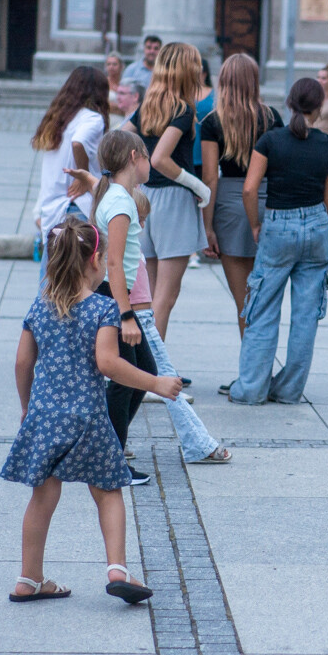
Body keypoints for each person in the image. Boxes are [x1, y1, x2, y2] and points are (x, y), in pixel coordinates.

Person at [0, 216, 182, 605]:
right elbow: (108, 364)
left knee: (42, 497)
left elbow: (21, 363)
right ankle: (117, 568)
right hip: (87, 417)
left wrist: (26, 407)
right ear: (95, 261)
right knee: (108, 491)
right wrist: (156, 383)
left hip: (45, 416)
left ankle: (29, 578)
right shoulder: (102, 308)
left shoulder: (41, 304)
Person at [87, 131, 231, 466]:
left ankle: (109, 445)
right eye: (148, 156)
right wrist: (125, 315)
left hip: (115, 298)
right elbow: (115, 264)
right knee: (127, 380)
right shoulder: (121, 203)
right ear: (135, 157)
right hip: (116, 300)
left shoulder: (115, 195)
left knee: (144, 376)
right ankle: (109, 454)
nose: (151, 163)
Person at [227, 78, 328, 405]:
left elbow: (249, 189)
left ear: (289, 103)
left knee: (262, 310)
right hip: (317, 224)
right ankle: (289, 390)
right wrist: (324, 232)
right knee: (306, 317)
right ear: (319, 108)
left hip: (278, 224)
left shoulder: (270, 140)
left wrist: (256, 225)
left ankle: (251, 389)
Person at [125, 42, 211, 339]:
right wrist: (199, 185)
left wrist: (133, 172)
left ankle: (143, 364)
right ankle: (155, 367)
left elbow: (120, 136)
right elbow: (162, 158)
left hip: (144, 198)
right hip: (174, 201)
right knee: (166, 296)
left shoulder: (148, 104)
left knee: (147, 294)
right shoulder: (184, 109)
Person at [200, 53, 282, 337]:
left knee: (243, 302)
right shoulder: (272, 117)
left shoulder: (212, 122)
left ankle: (249, 377)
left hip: (229, 206)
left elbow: (210, 177)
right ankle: (259, 374)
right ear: (254, 82)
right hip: (268, 202)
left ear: (223, 82)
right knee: (264, 301)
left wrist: (207, 227)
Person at [31, 66, 110, 275]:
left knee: (51, 285)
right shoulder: (92, 118)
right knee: (77, 286)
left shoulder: (58, 119)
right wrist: (84, 175)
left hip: (52, 209)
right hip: (76, 208)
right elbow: (79, 143)